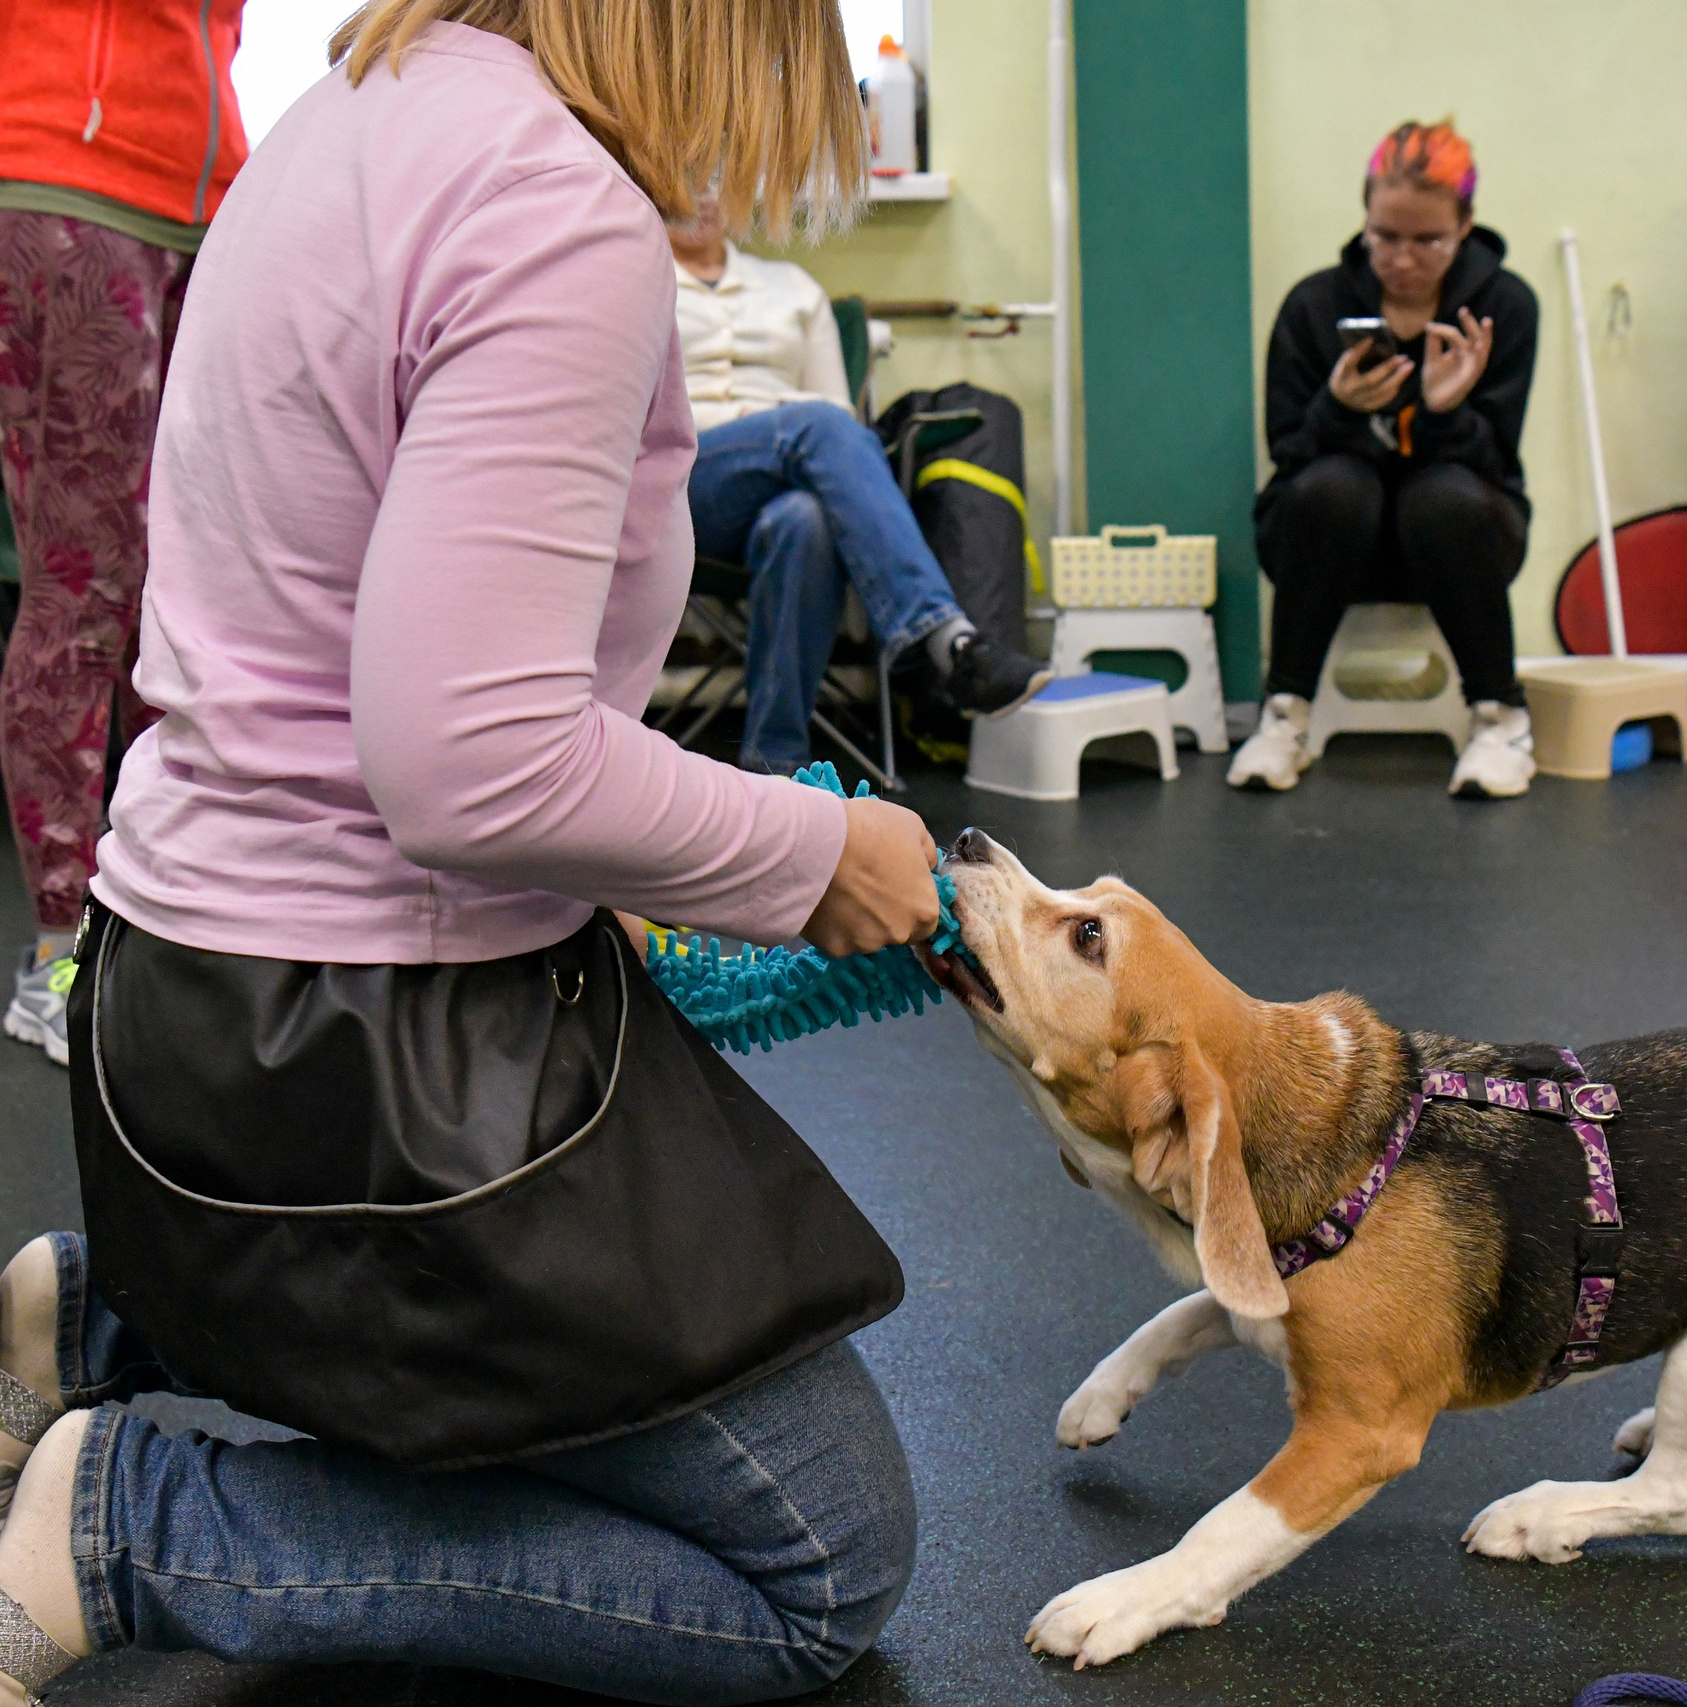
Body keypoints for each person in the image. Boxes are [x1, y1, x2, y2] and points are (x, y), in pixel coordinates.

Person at [0, 3, 927, 1701]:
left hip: (171, 1014)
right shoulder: (551, 206)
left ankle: (99, 1315)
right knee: (826, 1554)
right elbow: (473, 762)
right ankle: (129, 1524)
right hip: (368, 1062)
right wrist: (818, 850)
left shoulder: (347, 116)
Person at [0, 0, 247, 1067]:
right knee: (82, 582)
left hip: (211, 198)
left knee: (183, 590)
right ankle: (57, 957)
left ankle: (150, 925)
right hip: (68, 169)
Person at [670, 205, 1047, 772]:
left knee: (806, 521)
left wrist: (787, 429)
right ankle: (948, 641)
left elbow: (840, 413)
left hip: (785, 475)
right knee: (816, 427)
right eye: (684, 176)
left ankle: (775, 767)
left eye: (714, 179)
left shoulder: (793, 288)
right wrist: (771, 422)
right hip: (686, 480)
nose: (700, 196)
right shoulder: (638, 277)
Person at [1231, 119, 1540, 799]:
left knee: (1441, 495)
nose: (1402, 259)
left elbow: (1496, 461)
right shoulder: (1314, 306)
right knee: (1334, 487)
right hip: (1327, 540)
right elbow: (1288, 452)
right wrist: (1336, 407)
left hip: (1460, 539)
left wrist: (1447, 411)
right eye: (1386, 237)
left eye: (1428, 240)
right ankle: (1284, 714)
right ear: (1364, 222)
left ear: (1465, 225)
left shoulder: (1504, 307)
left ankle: (1500, 718)